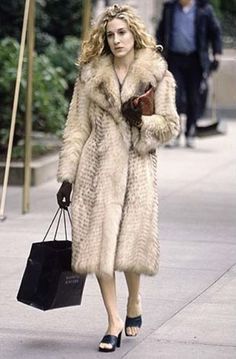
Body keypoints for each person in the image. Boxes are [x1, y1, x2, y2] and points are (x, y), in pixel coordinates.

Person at [56, 3, 180, 353]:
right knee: (99, 250)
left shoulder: (156, 74)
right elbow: (76, 128)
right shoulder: (90, 76)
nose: (116, 40)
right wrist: (68, 175)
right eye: (110, 35)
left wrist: (142, 121)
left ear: (134, 33)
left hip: (137, 169)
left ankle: (134, 301)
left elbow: (170, 125)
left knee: (129, 247)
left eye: (122, 33)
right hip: (96, 172)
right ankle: (112, 322)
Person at [156, 0, 222, 148]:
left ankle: (190, 131)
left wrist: (217, 53)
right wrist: (158, 51)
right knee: (174, 97)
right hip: (174, 59)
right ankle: (175, 132)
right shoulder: (169, 8)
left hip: (195, 60)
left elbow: (215, 32)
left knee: (194, 97)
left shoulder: (204, 9)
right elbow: (161, 32)